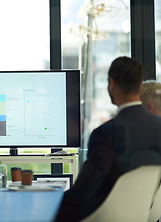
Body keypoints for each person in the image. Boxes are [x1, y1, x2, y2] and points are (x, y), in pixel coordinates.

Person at [55, 56, 161, 222]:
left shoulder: (105, 133)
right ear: (139, 86)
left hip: (103, 216)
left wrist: (52, 205)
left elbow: (84, 191)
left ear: (111, 84)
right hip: (144, 214)